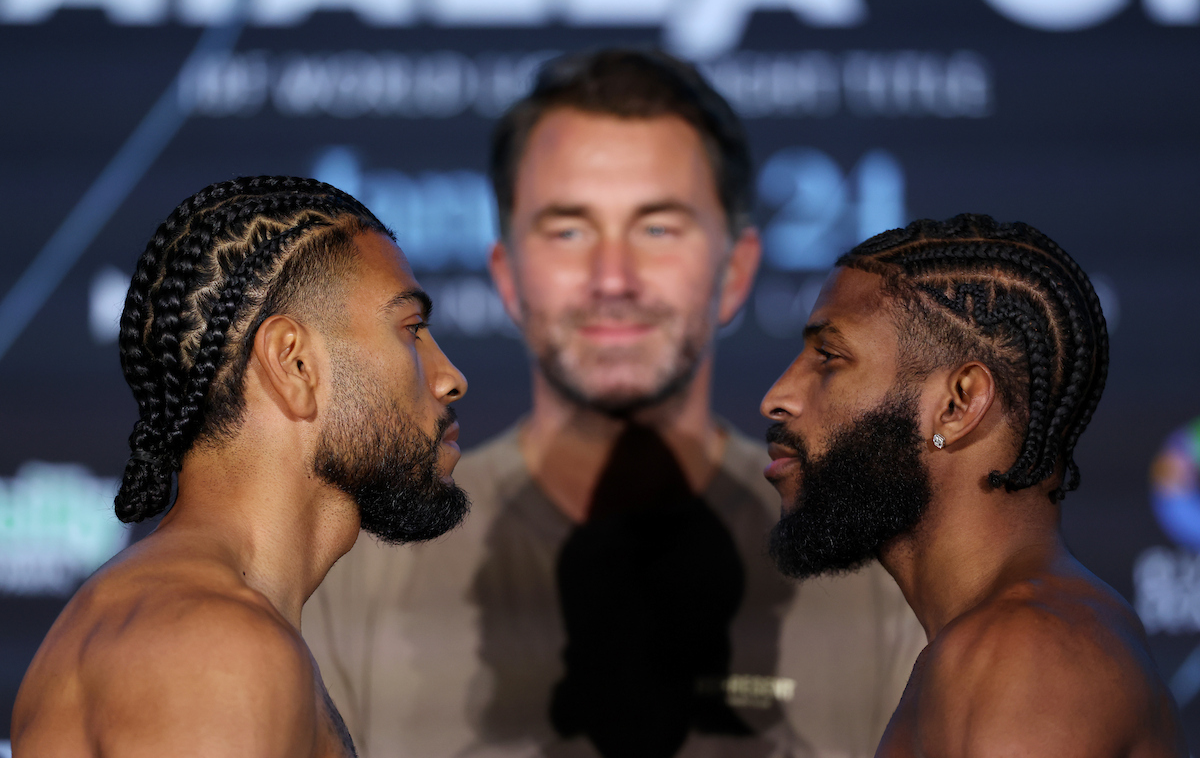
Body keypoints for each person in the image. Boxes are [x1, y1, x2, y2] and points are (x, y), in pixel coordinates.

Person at [305, 49, 926, 758]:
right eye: (568, 230)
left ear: (736, 270)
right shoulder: (352, 568)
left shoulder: (881, 569)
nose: (612, 278)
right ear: (507, 276)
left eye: (658, 228)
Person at [12, 176, 469, 757]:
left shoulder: (175, 620)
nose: (450, 378)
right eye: (412, 330)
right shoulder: (213, 647)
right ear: (294, 364)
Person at [761, 213, 1186, 755]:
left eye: (829, 357)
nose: (777, 397)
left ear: (958, 404)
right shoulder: (1009, 641)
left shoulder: (1026, 652)